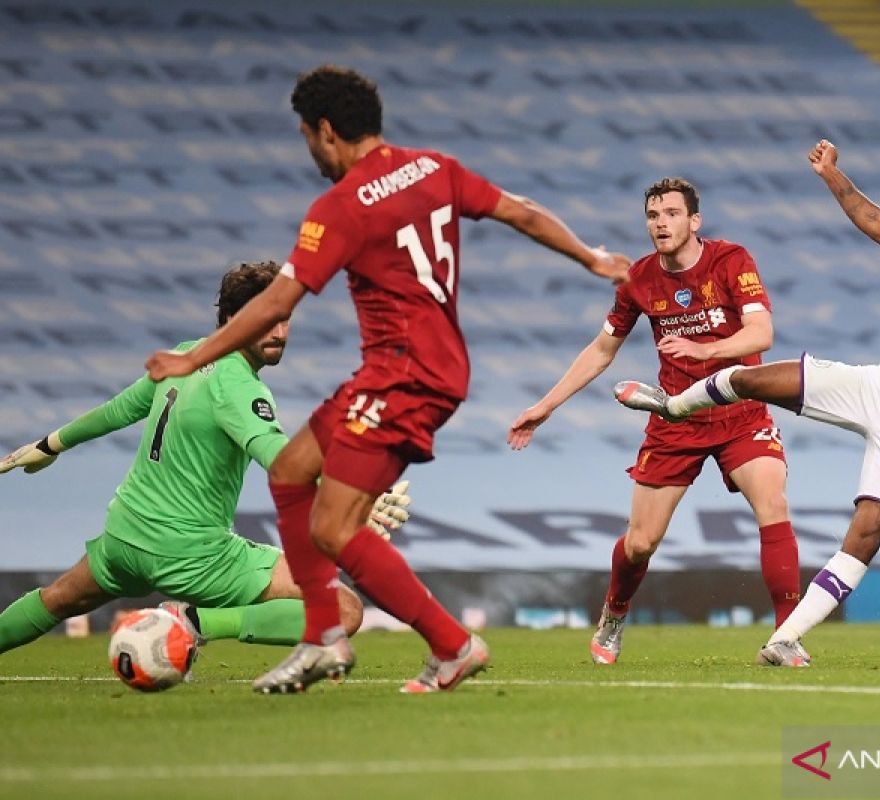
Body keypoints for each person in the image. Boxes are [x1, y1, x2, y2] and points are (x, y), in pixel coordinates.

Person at [144, 65, 630, 694]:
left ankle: (452, 646)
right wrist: (590, 257)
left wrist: (193, 357)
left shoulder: (341, 206)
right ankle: (323, 638)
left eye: (306, 138)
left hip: (406, 375)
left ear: (326, 131)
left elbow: (275, 301)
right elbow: (523, 212)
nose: (311, 153)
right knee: (290, 469)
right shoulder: (435, 168)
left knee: (333, 528)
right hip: (412, 367)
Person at [616, 139, 880, 667]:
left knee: (871, 530)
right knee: (756, 377)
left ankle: (785, 638)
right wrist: (833, 174)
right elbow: (873, 218)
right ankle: (674, 406)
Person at [0, 262, 411, 663]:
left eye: (284, 320)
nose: (279, 333)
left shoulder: (185, 355)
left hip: (125, 539)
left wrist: (51, 444)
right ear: (232, 319)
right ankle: (191, 622)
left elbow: (118, 410)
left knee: (56, 598)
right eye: (266, 320)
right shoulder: (238, 385)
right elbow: (281, 460)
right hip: (192, 557)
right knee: (343, 608)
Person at [508, 177, 800, 664]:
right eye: (652, 216)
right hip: (676, 416)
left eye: (670, 213)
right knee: (641, 543)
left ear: (694, 221)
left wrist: (708, 350)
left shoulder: (731, 260)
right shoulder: (639, 279)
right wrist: (546, 405)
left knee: (773, 501)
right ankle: (615, 614)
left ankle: (787, 635)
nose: (660, 223)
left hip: (738, 408)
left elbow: (761, 332)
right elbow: (602, 350)